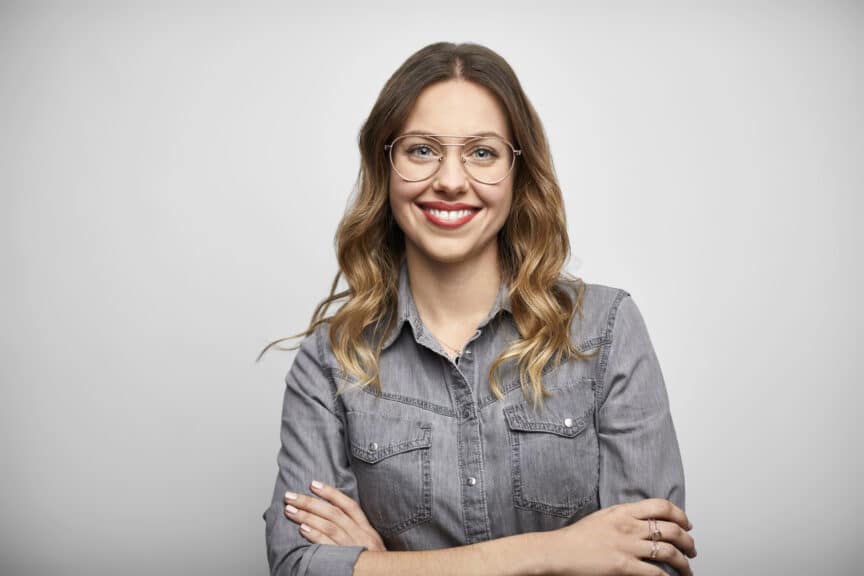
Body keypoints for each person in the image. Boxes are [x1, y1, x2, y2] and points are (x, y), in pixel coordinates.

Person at [260, 42, 696, 576]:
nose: (449, 179)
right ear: (386, 165)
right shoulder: (328, 361)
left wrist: (379, 565)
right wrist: (554, 552)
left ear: (518, 172)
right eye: (421, 149)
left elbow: (651, 565)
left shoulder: (605, 331)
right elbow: (300, 569)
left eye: (482, 152)